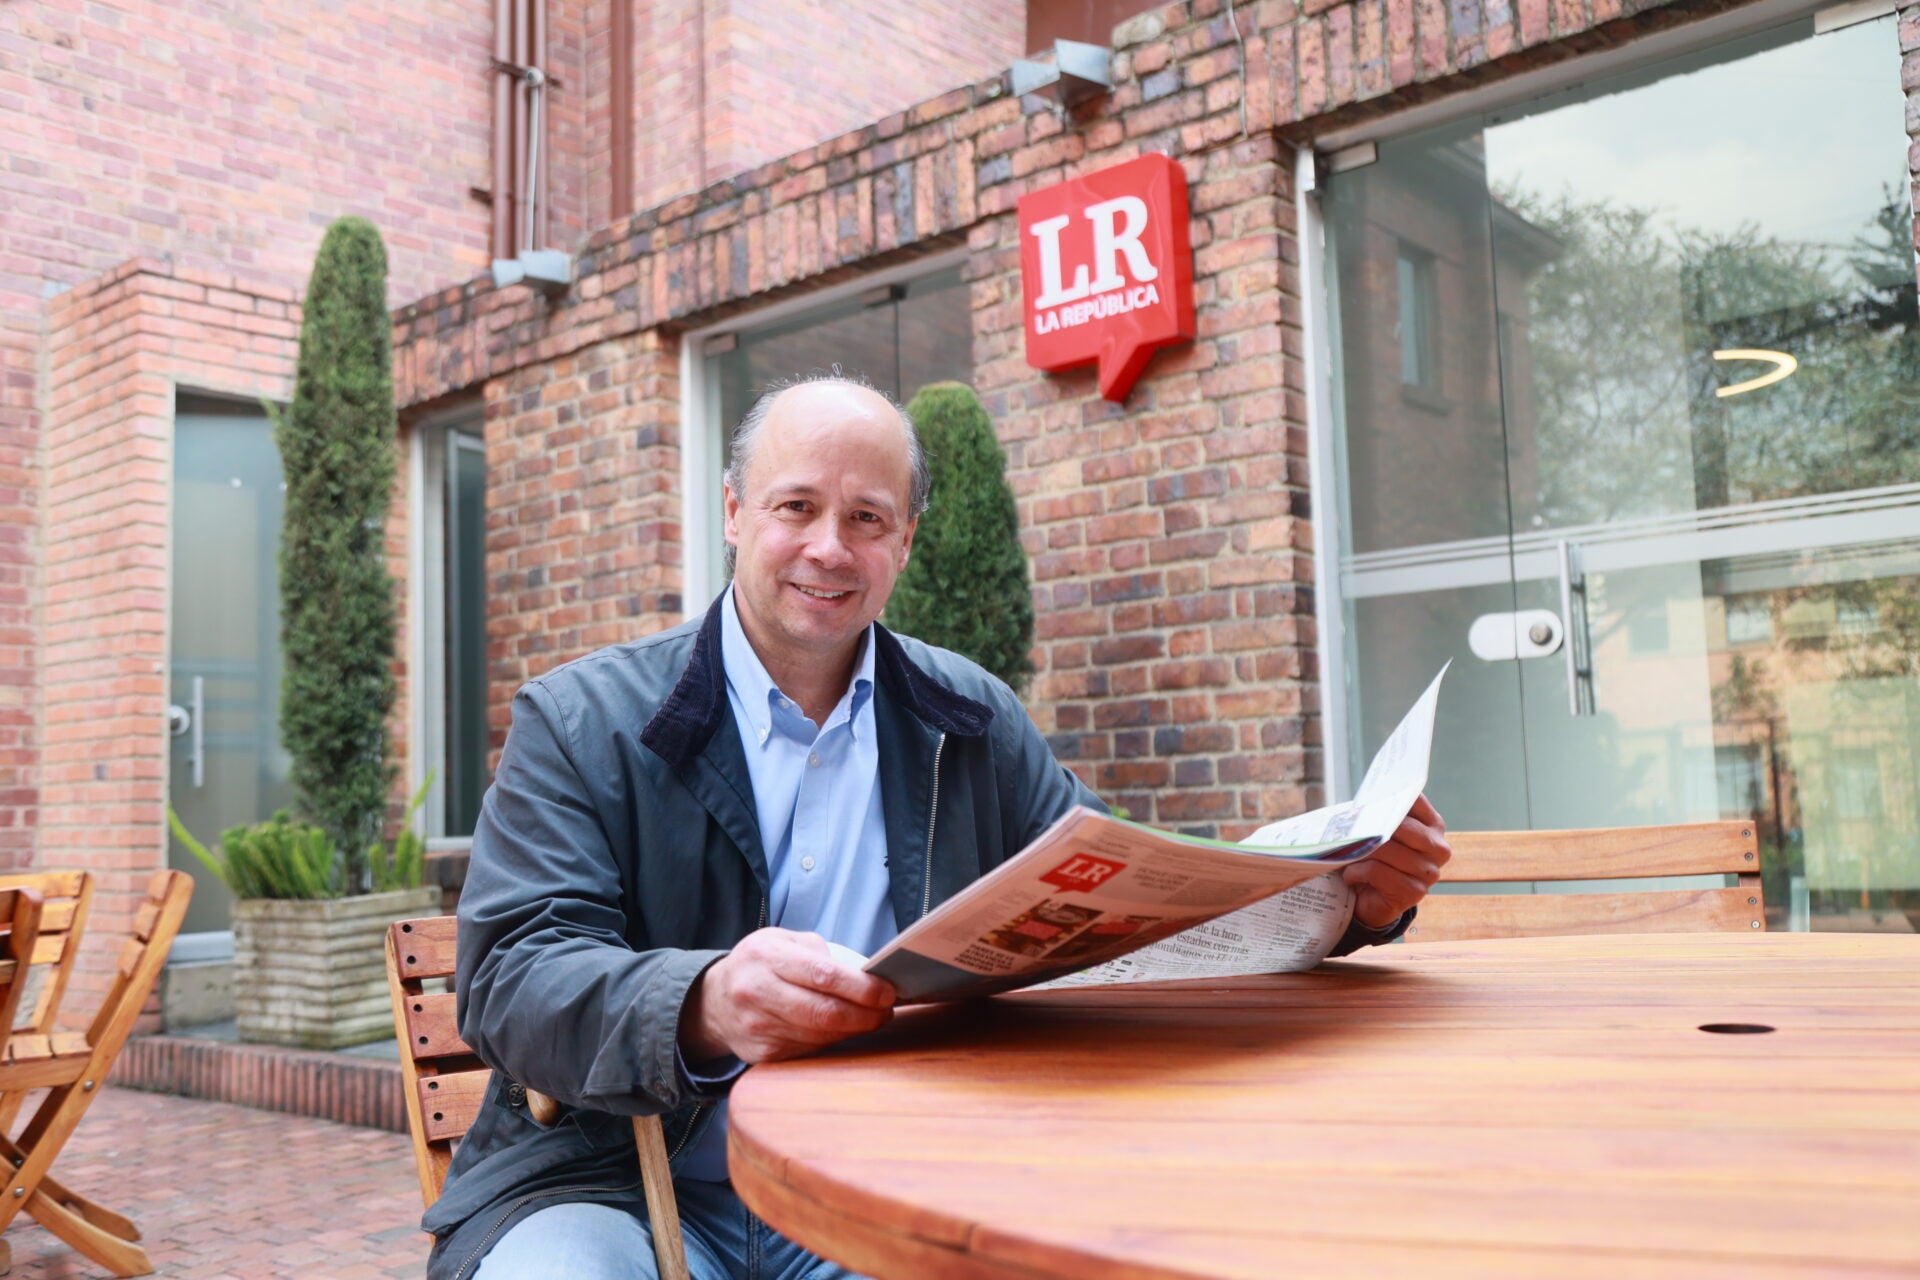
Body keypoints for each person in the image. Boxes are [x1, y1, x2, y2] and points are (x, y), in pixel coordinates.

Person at [426, 374, 1453, 1280]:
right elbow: (510, 972)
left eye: (868, 518)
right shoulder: (580, 718)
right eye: (797, 506)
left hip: (880, 1176)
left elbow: (1111, 916)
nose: (830, 546)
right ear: (735, 511)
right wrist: (700, 1000)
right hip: (610, 1178)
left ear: (906, 540)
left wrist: (1343, 897)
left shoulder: (971, 718)